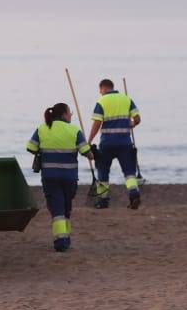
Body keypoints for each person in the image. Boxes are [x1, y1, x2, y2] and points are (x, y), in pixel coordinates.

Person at [26, 103, 93, 252]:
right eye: (70, 113)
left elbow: (30, 147)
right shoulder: (75, 130)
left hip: (50, 176)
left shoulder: (42, 128)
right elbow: (86, 152)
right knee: (66, 207)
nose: (71, 115)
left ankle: (61, 240)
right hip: (69, 177)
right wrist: (92, 153)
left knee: (57, 209)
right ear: (64, 114)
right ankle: (65, 238)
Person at [86, 79, 141, 209]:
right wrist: (131, 125)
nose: (100, 93)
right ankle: (134, 195)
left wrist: (89, 140)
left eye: (100, 90)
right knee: (129, 172)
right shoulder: (126, 99)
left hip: (107, 143)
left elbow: (97, 123)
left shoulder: (102, 101)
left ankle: (103, 201)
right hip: (125, 142)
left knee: (103, 171)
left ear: (104, 88)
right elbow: (137, 119)